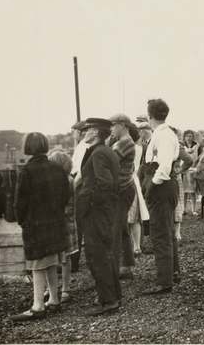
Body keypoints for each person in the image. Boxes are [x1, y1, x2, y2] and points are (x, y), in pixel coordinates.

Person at [10, 132, 70, 321]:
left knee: (37, 266)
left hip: (35, 225)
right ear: (44, 145)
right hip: (56, 222)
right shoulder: (57, 168)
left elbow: (20, 203)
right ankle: (54, 300)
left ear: (28, 147)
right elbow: (65, 196)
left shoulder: (26, 171)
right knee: (52, 261)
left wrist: (22, 221)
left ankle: (38, 306)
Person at [76, 118, 121, 315]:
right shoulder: (103, 151)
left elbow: (106, 184)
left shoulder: (99, 153)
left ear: (95, 132)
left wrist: (90, 203)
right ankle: (113, 296)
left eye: (86, 130)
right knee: (105, 253)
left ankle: (108, 301)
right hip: (102, 212)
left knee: (98, 256)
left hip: (96, 213)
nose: (83, 133)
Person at [140, 99, 180, 295]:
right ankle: (173, 272)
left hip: (161, 186)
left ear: (150, 116)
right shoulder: (164, 134)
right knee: (168, 231)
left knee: (160, 234)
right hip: (165, 186)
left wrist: (152, 187)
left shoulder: (163, 136)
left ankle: (164, 281)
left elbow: (163, 167)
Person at [47, 150, 78, 304]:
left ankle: (52, 289)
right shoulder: (71, 180)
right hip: (69, 221)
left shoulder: (57, 182)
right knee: (66, 258)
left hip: (59, 222)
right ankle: (65, 289)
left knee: (53, 258)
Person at [109, 114, 137, 280]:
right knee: (122, 227)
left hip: (122, 190)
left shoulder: (124, 142)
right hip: (125, 188)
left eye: (113, 125)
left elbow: (108, 161)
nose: (111, 129)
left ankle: (116, 269)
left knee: (116, 229)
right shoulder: (122, 142)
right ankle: (127, 266)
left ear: (122, 125)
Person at [127, 124, 150, 256]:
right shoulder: (140, 147)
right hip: (135, 179)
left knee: (133, 216)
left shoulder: (133, 148)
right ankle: (136, 245)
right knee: (135, 216)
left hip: (130, 179)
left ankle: (135, 246)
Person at [69, 120, 89, 273]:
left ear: (80, 132)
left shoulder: (83, 147)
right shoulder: (80, 146)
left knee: (79, 224)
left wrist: (72, 187)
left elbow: (81, 171)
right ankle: (76, 261)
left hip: (80, 185)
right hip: (78, 183)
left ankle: (75, 263)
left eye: (73, 131)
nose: (72, 133)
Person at [170, 127, 193, 242]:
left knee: (177, 203)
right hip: (164, 177)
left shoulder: (178, 145)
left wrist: (180, 170)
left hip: (174, 177)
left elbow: (188, 160)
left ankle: (177, 232)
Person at [182, 130, 199, 216]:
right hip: (184, 169)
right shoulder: (181, 146)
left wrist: (195, 167)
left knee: (192, 191)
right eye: (187, 136)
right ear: (184, 137)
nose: (189, 138)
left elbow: (199, 157)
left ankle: (194, 209)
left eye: (190, 136)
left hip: (193, 169)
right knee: (184, 191)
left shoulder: (196, 146)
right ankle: (183, 209)